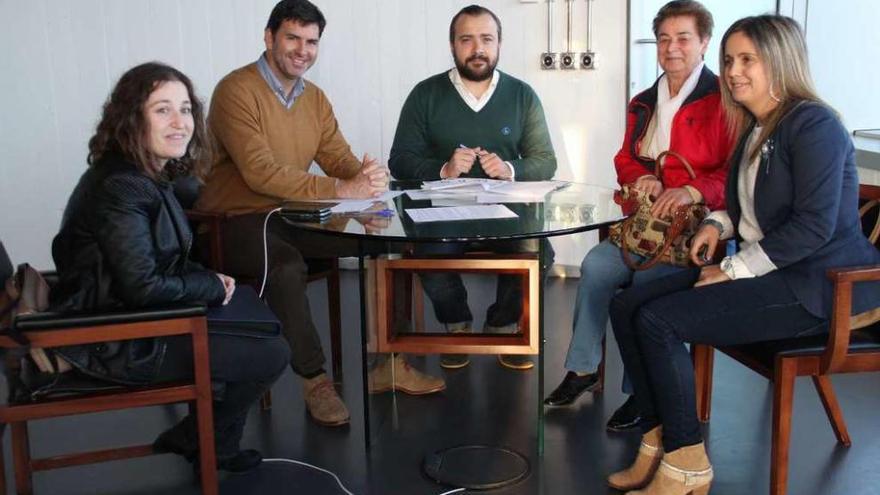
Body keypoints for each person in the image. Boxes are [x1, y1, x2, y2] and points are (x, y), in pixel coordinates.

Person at [606, 15, 880, 495]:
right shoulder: (756, 127)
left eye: (747, 59)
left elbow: (812, 226)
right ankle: (658, 438)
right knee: (625, 304)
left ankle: (687, 460)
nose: (733, 71)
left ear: (781, 60)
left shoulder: (814, 124)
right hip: (776, 274)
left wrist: (733, 268)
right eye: (729, 60)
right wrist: (716, 223)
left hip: (817, 290)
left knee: (657, 321)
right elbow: (750, 207)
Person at [196, 0, 444, 427]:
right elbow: (260, 174)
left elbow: (339, 160)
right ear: (269, 37)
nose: (302, 50)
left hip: (294, 215)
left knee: (385, 242)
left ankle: (390, 361)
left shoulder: (315, 99)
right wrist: (343, 190)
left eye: (312, 41)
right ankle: (315, 381)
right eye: (292, 38)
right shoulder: (235, 91)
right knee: (287, 266)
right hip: (233, 221)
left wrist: (368, 184)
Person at [50, 62, 291, 473]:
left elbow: (155, 261)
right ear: (132, 118)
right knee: (270, 353)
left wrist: (207, 281)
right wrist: (210, 286)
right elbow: (142, 287)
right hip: (116, 338)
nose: (180, 122)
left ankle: (206, 439)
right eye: (162, 110)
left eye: (185, 109)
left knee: (264, 326)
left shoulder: (140, 173)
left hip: (129, 316)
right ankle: (205, 440)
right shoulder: (120, 187)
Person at [544, 0, 731, 433]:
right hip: (647, 228)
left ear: (704, 42)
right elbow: (624, 157)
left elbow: (733, 172)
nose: (672, 48)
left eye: (683, 38)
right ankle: (584, 367)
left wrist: (691, 188)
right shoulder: (643, 101)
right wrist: (644, 178)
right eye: (664, 39)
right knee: (594, 267)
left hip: (696, 232)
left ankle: (639, 392)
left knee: (646, 284)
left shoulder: (724, 100)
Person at [389, 4, 556, 371]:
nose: (477, 48)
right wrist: (443, 168)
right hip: (443, 213)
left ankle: (501, 323)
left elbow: (546, 161)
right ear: (452, 45)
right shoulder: (425, 94)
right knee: (428, 252)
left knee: (539, 253)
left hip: (509, 214)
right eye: (467, 39)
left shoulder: (521, 95)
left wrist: (510, 168)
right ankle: (457, 324)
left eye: (486, 39)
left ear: (499, 45)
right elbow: (399, 159)